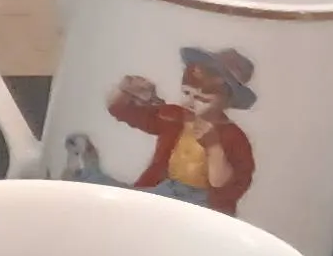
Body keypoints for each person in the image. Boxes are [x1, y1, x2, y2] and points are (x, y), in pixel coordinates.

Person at [107, 49, 257, 213]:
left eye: (203, 99)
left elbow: (224, 187)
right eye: (186, 93)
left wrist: (213, 146)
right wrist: (126, 90)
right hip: (166, 188)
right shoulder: (175, 117)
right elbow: (121, 111)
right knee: (121, 202)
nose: (189, 103)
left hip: (203, 203)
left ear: (227, 102)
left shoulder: (235, 137)